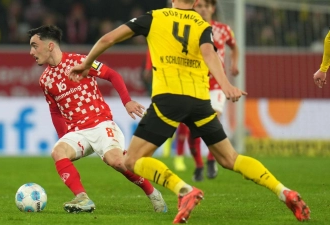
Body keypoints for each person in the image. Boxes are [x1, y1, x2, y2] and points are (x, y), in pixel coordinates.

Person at [69, 0, 310, 223]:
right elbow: (209, 53)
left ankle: (184, 190)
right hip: (199, 100)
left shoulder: (154, 17)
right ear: (195, 2)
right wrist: (225, 85)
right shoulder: (201, 24)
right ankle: (283, 191)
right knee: (230, 158)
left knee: (132, 160)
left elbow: (107, 39)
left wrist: (87, 63)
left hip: (169, 99)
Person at [27, 25, 167, 214]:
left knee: (117, 162)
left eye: (35, 46)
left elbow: (112, 75)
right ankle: (82, 198)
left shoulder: (81, 61)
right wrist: (63, 136)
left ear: (50, 46)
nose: (31, 52)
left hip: (101, 124)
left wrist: (126, 101)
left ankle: (152, 193)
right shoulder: (45, 80)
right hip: (78, 132)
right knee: (58, 151)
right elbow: (55, 110)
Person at [177, 0, 241, 181]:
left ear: (212, 9)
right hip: (194, 82)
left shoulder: (223, 29)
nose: (203, 9)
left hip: (215, 85)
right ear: (194, 8)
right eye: (199, 6)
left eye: (206, 6)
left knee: (213, 121)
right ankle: (198, 165)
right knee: (192, 128)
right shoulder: (187, 28)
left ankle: (212, 159)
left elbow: (235, 47)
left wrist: (234, 64)